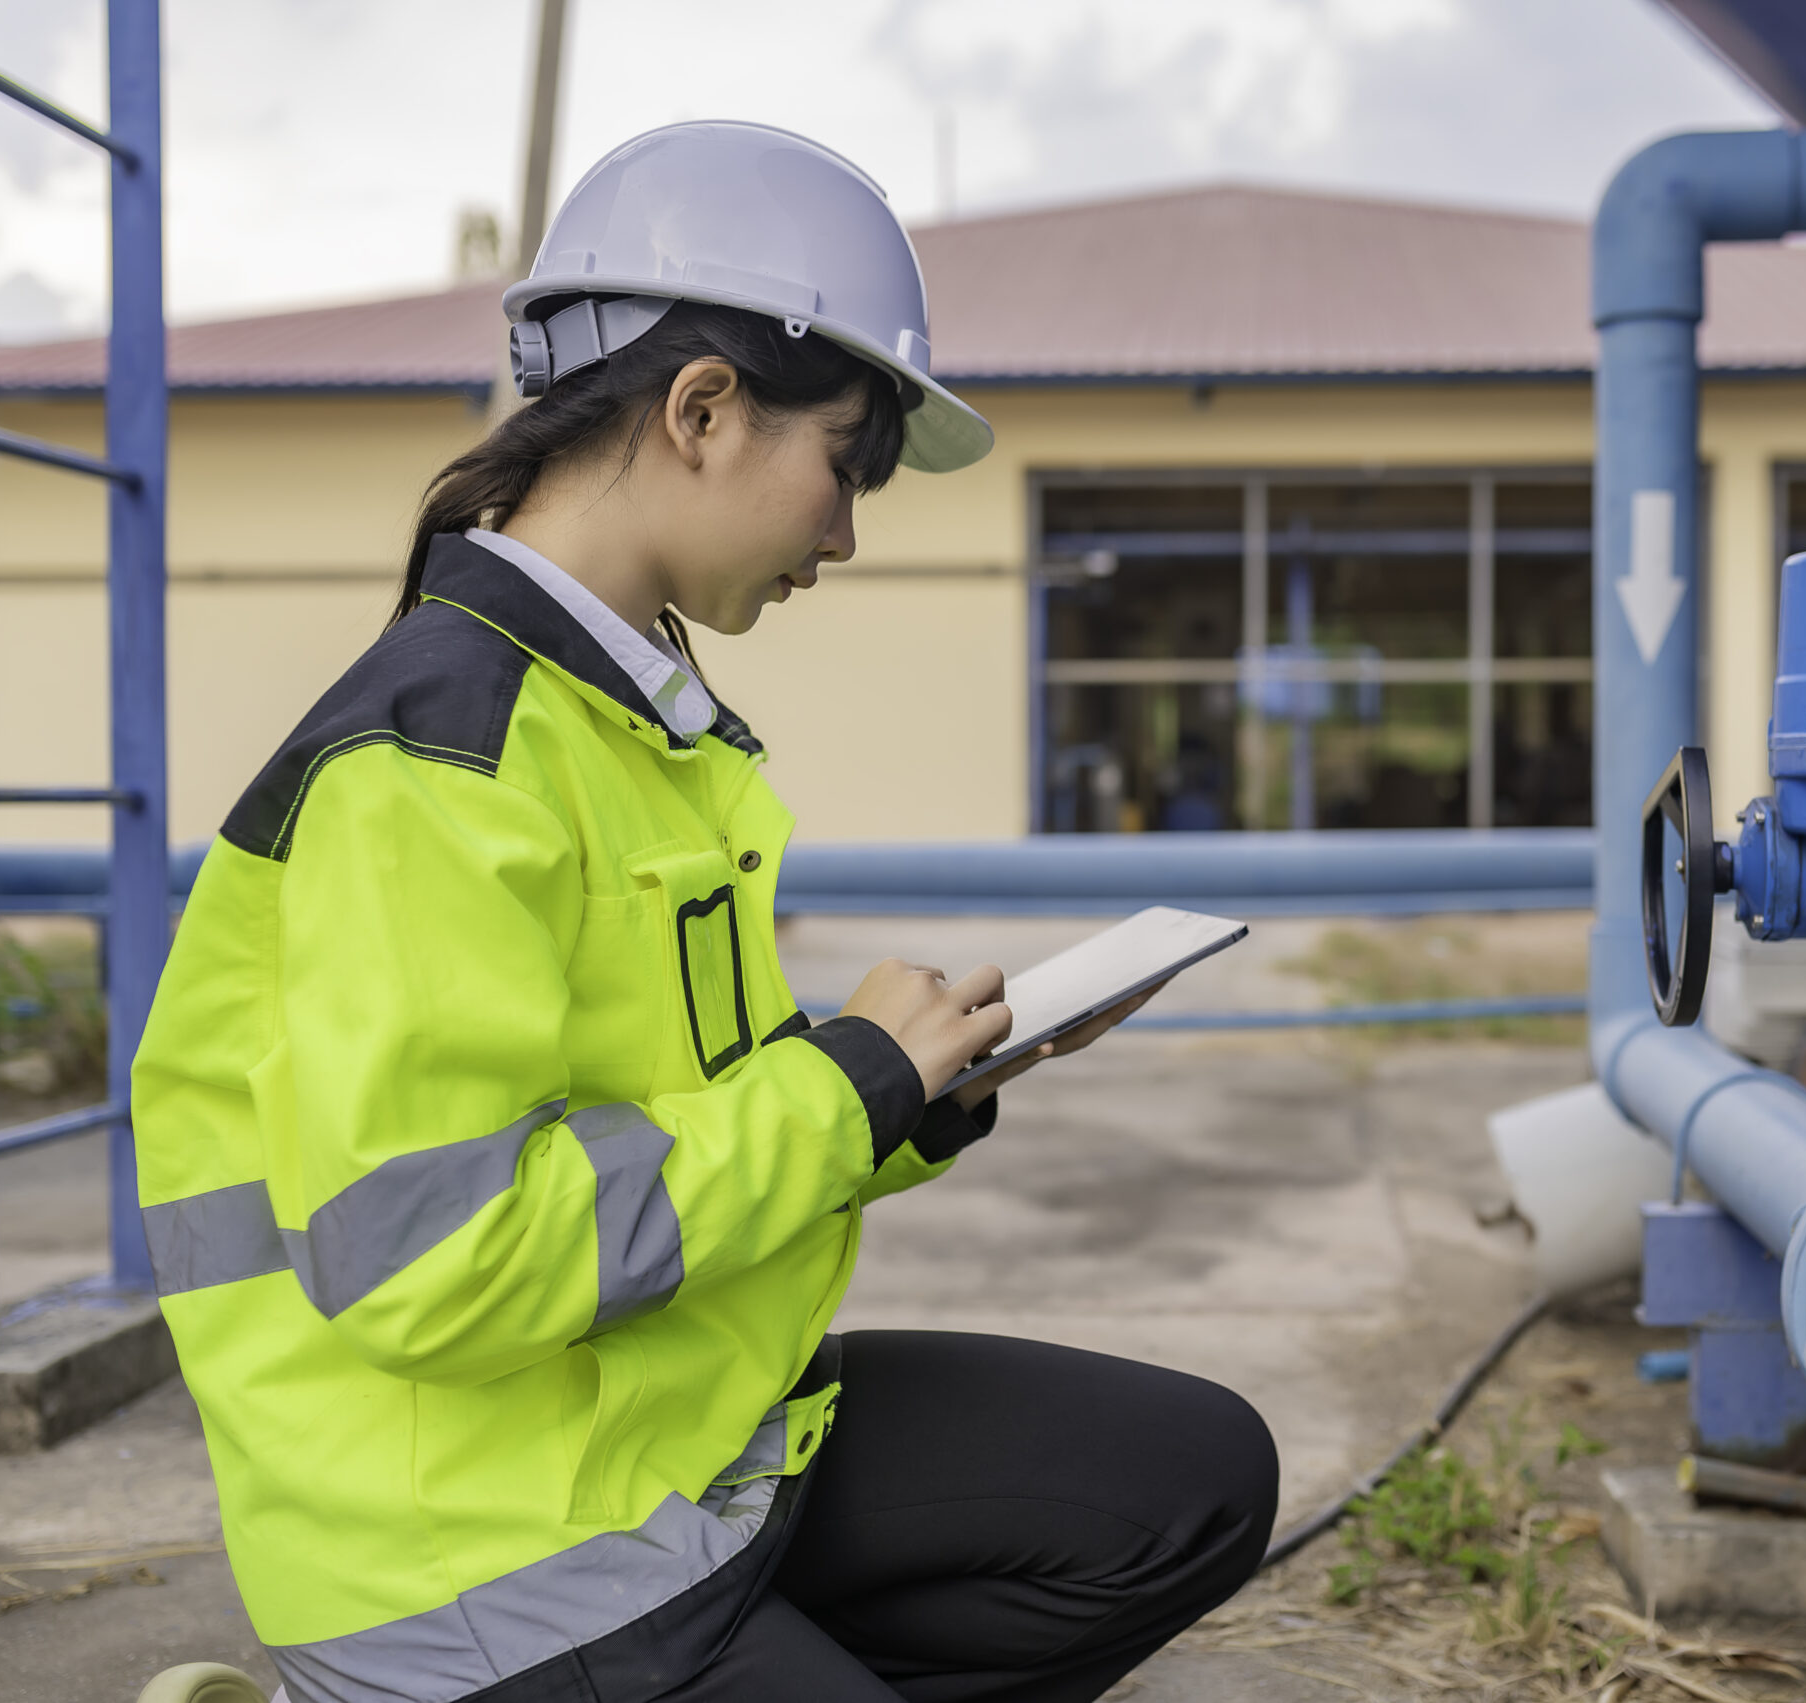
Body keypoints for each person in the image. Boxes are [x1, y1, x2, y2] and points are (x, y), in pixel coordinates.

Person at [131, 121, 1277, 1703]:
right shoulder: (438, 764)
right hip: (485, 1561)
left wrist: (908, 1091)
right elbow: (438, 1264)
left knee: (1192, 1477)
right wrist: (844, 1081)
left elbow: (654, 1146)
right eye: (843, 467)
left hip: (666, 1443)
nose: (847, 532)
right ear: (702, 409)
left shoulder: (622, 723)